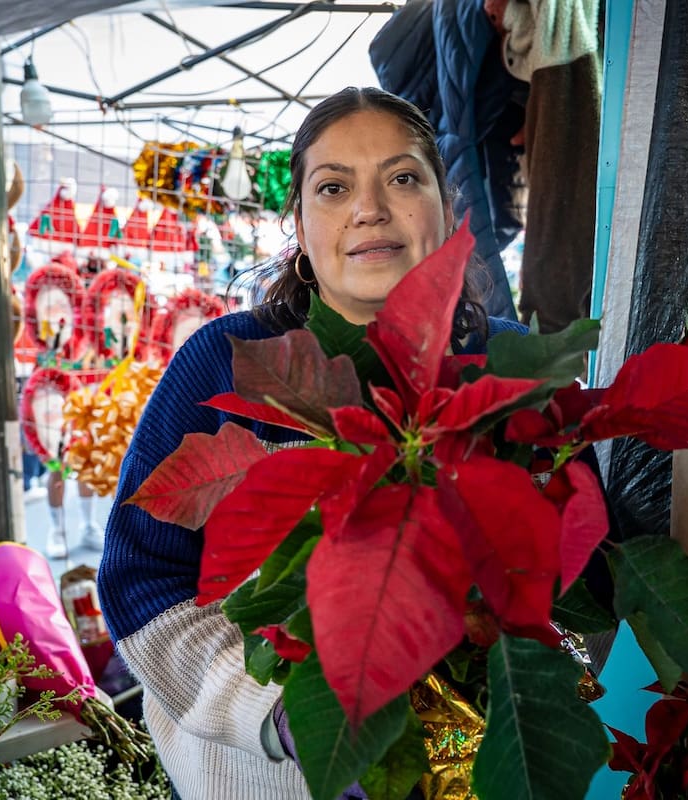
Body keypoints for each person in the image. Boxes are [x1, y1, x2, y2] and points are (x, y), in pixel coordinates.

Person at [97, 87, 526, 800]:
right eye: (333, 187)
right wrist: (286, 716)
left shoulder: (511, 367)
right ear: (297, 219)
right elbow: (142, 582)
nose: (370, 209)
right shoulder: (228, 361)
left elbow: (578, 584)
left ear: (444, 207)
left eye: (403, 177)